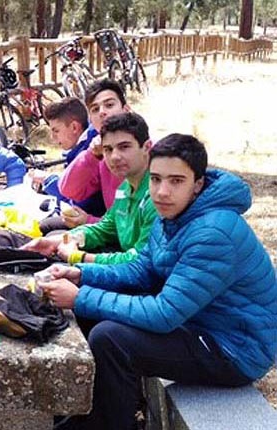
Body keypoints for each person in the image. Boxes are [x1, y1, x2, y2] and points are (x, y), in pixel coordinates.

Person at [44, 133, 277, 430]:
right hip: (200, 322)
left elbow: (164, 314)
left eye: (176, 181)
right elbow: (141, 270)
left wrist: (79, 297)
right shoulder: (174, 214)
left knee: (110, 339)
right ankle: (93, 412)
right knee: (94, 312)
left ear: (198, 185)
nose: (162, 192)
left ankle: (110, 423)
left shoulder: (213, 233)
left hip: (233, 349)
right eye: (155, 179)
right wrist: (81, 275)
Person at [24, 112, 157, 265]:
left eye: (124, 147)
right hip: (126, 258)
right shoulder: (125, 187)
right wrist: (66, 239)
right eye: (108, 149)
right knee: (53, 240)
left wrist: (78, 257)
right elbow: (106, 228)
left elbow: (140, 261)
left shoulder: (157, 195)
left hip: (142, 271)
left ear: (147, 147)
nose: (114, 157)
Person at [57, 79, 129, 228]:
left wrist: (89, 221)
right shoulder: (100, 155)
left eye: (109, 105)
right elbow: (68, 190)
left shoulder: (145, 150)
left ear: (126, 110)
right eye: (95, 109)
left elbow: (130, 227)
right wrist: (92, 155)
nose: (102, 112)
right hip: (110, 229)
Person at [29, 97, 105, 232]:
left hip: (93, 223)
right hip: (94, 219)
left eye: (56, 131)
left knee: (39, 228)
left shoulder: (91, 151)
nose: (53, 138)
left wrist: (48, 180)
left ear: (75, 127)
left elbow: (76, 200)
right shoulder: (82, 145)